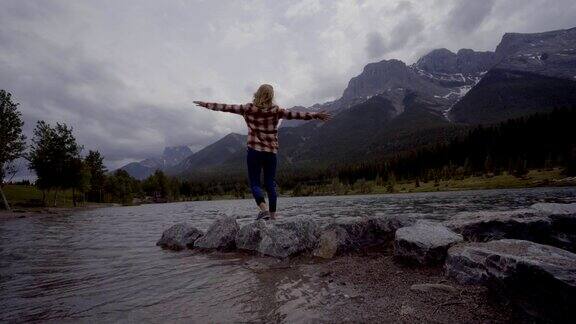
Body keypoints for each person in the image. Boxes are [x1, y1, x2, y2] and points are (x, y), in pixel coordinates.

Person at [194, 84, 330, 220]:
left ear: (257, 93)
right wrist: (315, 115)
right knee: (270, 183)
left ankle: (264, 210)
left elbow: (226, 107)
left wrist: (205, 104)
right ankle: (272, 215)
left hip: (254, 151)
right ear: (271, 96)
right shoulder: (276, 111)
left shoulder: (248, 109)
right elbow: (297, 115)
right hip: (271, 152)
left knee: (255, 183)